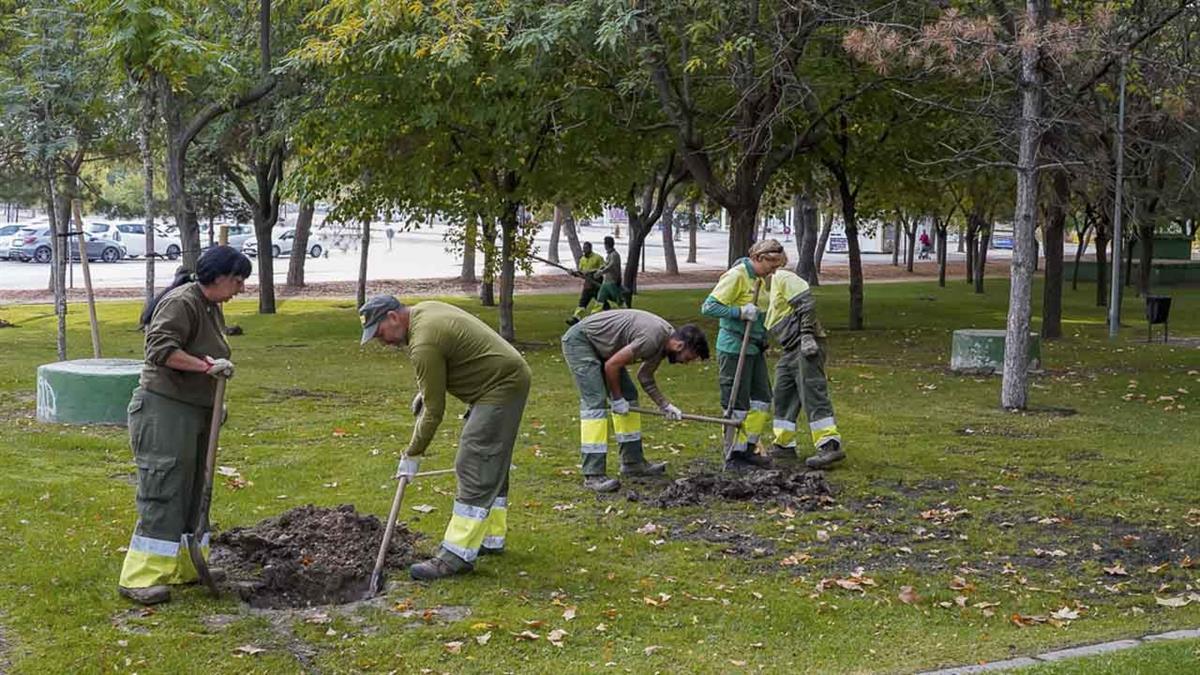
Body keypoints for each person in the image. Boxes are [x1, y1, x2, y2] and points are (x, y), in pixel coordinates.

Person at [359, 295, 531, 581]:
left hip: (501, 384)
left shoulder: (423, 341)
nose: (382, 341)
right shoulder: (424, 311)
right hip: (499, 378)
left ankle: (456, 556)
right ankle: (490, 538)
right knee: (489, 458)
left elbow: (434, 412)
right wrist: (426, 391)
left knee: (475, 459)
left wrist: (412, 454)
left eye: (379, 333)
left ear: (392, 317)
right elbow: (448, 357)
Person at [118, 246, 251, 605]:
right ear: (219, 277)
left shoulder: (210, 306)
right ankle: (141, 576)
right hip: (165, 409)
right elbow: (159, 349)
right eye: (237, 280)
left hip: (195, 409)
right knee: (165, 486)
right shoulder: (182, 302)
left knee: (195, 489)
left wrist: (212, 401)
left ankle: (187, 567)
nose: (240, 288)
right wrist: (206, 368)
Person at [561, 310, 710, 492]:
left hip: (604, 348)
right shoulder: (652, 338)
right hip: (581, 342)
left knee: (629, 396)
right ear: (679, 345)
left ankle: (633, 463)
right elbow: (612, 365)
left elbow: (645, 377)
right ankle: (593, 475)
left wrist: (665, 405)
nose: (685, 363)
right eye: (688, 358)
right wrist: (616, 399)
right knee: (595, 403)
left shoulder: (664, 341)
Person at [700, 239, 788, 471]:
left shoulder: (758, 278)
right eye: (772, 264)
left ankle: (748, 448)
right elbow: (709, 307)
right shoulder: (737, 275)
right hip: (734, 348)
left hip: (754, 348)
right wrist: (739, 312)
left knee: (761, 400)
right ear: (759, 258)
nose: (775, 269)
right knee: (736, 403)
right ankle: (733, 455)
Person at [764, 269, 844, 469]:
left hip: (805, 345)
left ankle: (829, 445)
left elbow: (806, 303)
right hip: (789, 348)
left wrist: (807, 335)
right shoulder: (765, 289)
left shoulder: (782, 277)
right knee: (783, 394)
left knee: (812, 393)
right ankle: (784, 445)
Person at [566, 241, 605, 326]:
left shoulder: (598, 258)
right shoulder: (582, 260)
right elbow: (581, 273)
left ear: (590, 248)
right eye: (583, 248)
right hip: (588, 285)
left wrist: (594, 272)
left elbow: (603, 268)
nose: (584, 250)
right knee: (582, 302)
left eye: (586, 248)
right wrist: (574, 273)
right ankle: (576, 318)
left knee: (601, 302)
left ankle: (602, 317)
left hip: (597, 284)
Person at [596, 236, 625, 310]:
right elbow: (606, 265)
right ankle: (595, 314)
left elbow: (610, 266)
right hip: (606, 282)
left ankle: (625, 312)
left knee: (618, 300)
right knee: (600, 298)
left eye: (605, 244)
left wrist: (601, 272)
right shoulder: (609, 255)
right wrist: (600, 268)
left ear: (607, 245)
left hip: (612, 281)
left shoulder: (614, 255)